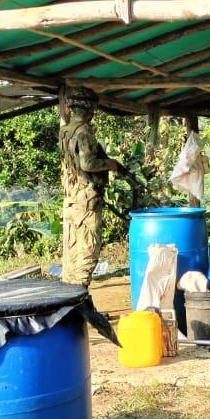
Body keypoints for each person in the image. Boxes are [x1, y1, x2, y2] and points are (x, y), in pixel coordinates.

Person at [58, 86, 123, 286]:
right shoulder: (84, 131)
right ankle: (79, 301)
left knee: (72, 253)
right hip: (85, 201)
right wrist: (110, 164)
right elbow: (87, 164)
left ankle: (68, 301)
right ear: (90, 110)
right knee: (88, 251)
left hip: (71, 199)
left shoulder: (65, 131)